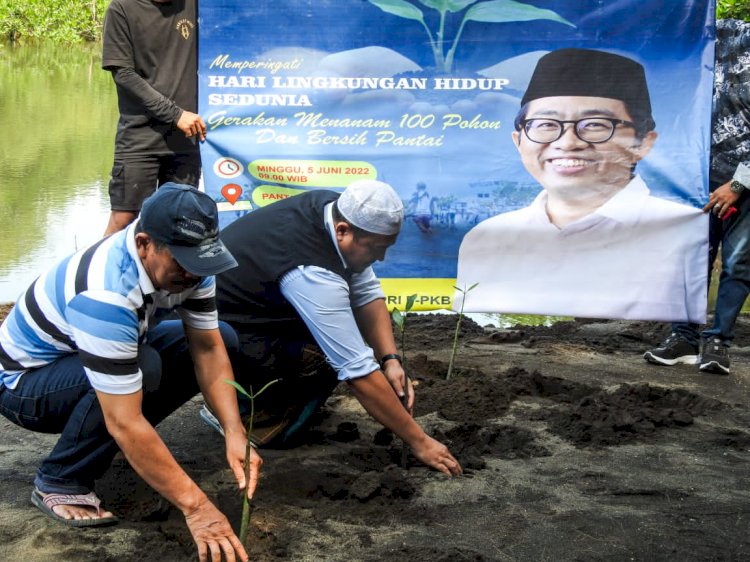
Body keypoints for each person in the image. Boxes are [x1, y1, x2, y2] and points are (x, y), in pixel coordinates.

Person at [0, 184, 258, 562]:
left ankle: (116, 448)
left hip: (92, 356)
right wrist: (197, 508)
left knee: (223, 339)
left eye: (201, 261)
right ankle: (60, 479)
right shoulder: (106, 294)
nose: (193, 274)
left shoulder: (195, 264)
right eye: (183, 262)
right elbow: (123, 420)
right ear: (143, 243)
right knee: (143, 370)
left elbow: (207, 347)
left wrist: (234, 431)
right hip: (25, 384)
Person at [204, 179, 463, 477]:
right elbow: (356, 371)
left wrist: (390, 361)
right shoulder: (309, 269)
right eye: (377, 249)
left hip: (261, 311)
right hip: (226, 336)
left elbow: (366, 293)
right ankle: (245, 414)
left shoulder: (338, 210)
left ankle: (274, 401)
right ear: (343, 231)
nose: (381, 258)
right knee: (325, 356)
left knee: (341, 337)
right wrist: (420, 442)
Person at [454, 48, 707, 321]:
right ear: (518, 141)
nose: (568, 142)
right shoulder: (486, 238)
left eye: (595, 125)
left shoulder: (681, 233)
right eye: (546, 124)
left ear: (643, 142)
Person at [643, 19, 750, 375]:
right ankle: (683, 337)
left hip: (743, 181)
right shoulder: (680, 37)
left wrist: (738, 184)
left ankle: (718, 342)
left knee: (737, 263)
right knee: (689, 257)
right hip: (691, 177)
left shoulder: (741, 37)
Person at [101, 0, 206, 236]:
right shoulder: (121, 8)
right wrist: (175, 114)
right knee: (124, 218)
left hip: (187, 137)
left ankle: (165, 274)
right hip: (140, 135)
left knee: (180, 222)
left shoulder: (196, 4)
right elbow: (124, 74)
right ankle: (99, 272)